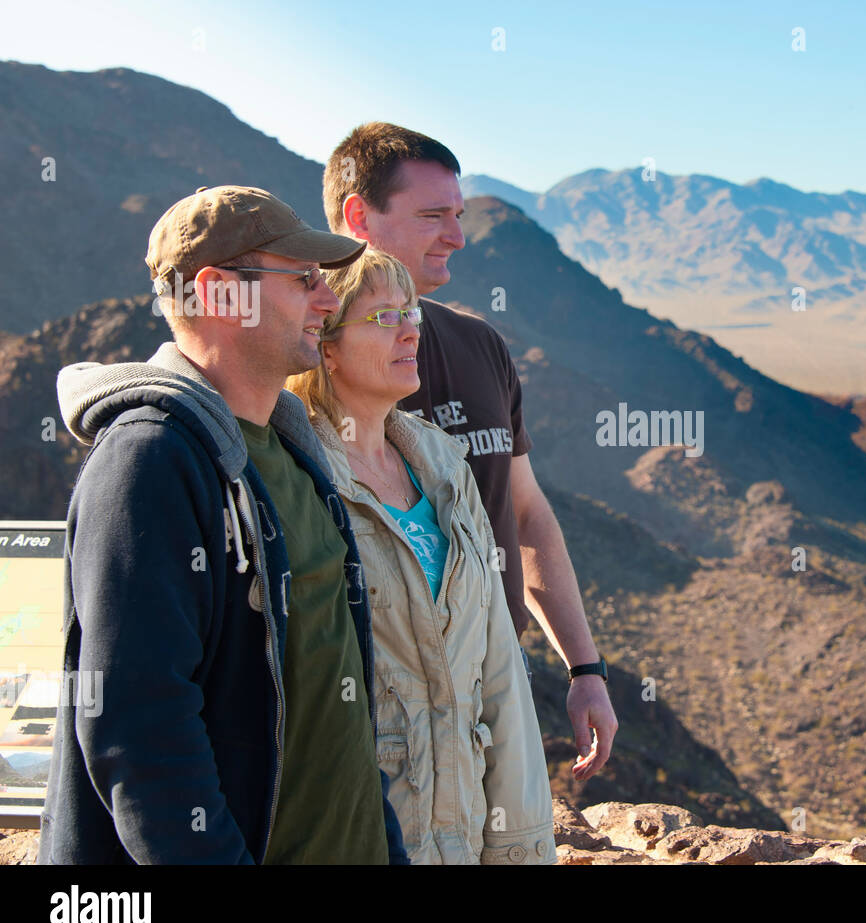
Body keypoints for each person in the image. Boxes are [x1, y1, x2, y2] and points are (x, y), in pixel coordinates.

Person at [39, 185, 408, 864]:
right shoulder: (151, 460)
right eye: (302, 279)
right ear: (216, 292)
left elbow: (334, 703)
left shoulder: (292, 452)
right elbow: (141, 732)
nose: (326, 301)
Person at [322, 123, 617, 781]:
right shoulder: (311, 356)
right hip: (377, 707)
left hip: (495, 683)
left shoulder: (480, 345)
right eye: (433, 216)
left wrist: (584, 667)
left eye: (458, 215)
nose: (457, 235)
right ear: (357, 216)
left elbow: (527, 512)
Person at [286, 248, 556, 864]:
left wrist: (517, 848)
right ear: (325, 345)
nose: (412, 329)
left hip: (461, 833)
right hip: (357, 838)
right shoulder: (297, 478)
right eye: (385, 317)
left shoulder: (443, 468)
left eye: (411, 312)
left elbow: (499, 673)